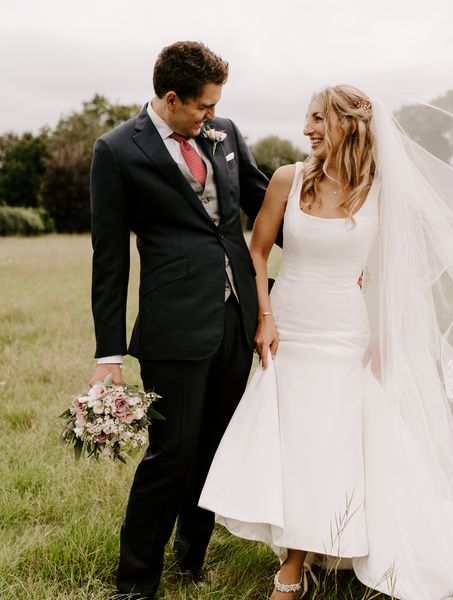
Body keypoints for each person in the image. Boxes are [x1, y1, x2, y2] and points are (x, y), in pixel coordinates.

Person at [199, 84, 453, 599]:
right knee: (293, 444)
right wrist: (265, 317)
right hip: (290, 327)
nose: (306, 129)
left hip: (346, 333)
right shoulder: (287, 180)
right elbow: (258, 250)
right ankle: (304, 550)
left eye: (317, 118)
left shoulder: (381, 189)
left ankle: (291, 573)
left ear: (347, 125)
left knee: (328, 444)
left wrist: (383, 338)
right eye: (306, 118)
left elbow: (393, 271)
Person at [89, 41, 268, 599]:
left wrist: (339, 244)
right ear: (171, 98)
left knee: (215, 448)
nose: (213, 115)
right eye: (203, 107)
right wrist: (108, 355)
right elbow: (110, 259)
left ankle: (192, 560)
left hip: (239, 318)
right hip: (174, 327)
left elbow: (264, 203)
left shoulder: (226, 133)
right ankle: (136, 580)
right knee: (173, 453)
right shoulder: (117, 150)